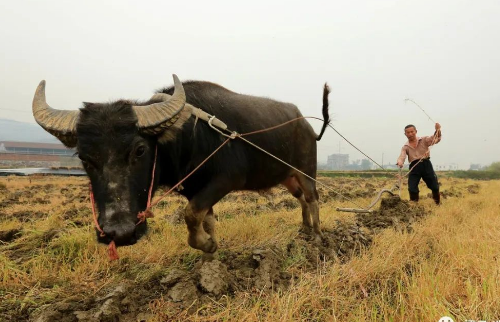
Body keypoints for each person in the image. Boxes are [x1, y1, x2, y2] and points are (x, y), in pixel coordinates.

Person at [397, 123, 442, 204]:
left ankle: (437, 204)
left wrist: (437, 130)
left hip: (426, 164)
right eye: (408, 132)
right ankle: (414, 205)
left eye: (412, 132)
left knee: (434, 186)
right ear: (405, 134)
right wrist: (400, 162)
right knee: (412, 188)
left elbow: (436, 138)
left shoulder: (424, 139)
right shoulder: (405, 147)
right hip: (414, 167)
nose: (410, 134)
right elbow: (402, 156)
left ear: (416, 131)